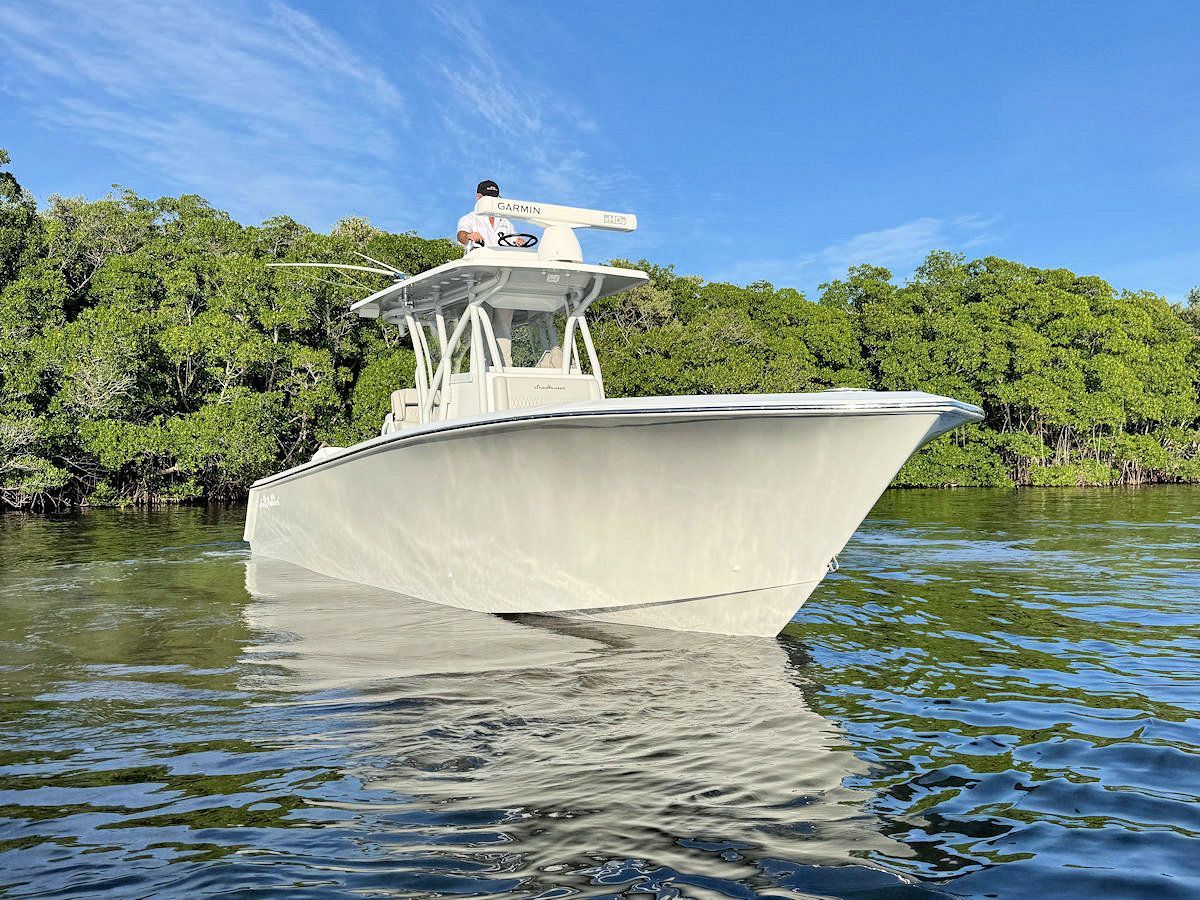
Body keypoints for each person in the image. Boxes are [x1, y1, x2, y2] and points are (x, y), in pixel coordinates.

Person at [456, 180, 526, 365]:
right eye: (488, 197)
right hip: (481, 279)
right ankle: (482, 365)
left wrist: (519, 242)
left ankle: (505, 365)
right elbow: (461, 236)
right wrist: (470, 236)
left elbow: (513, 241)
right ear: (478, 197)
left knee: (504, 323)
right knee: (482, 321)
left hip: (504, 279)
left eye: (495, 197)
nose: (492, 201)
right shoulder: (469, 219)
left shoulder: (506, 223)